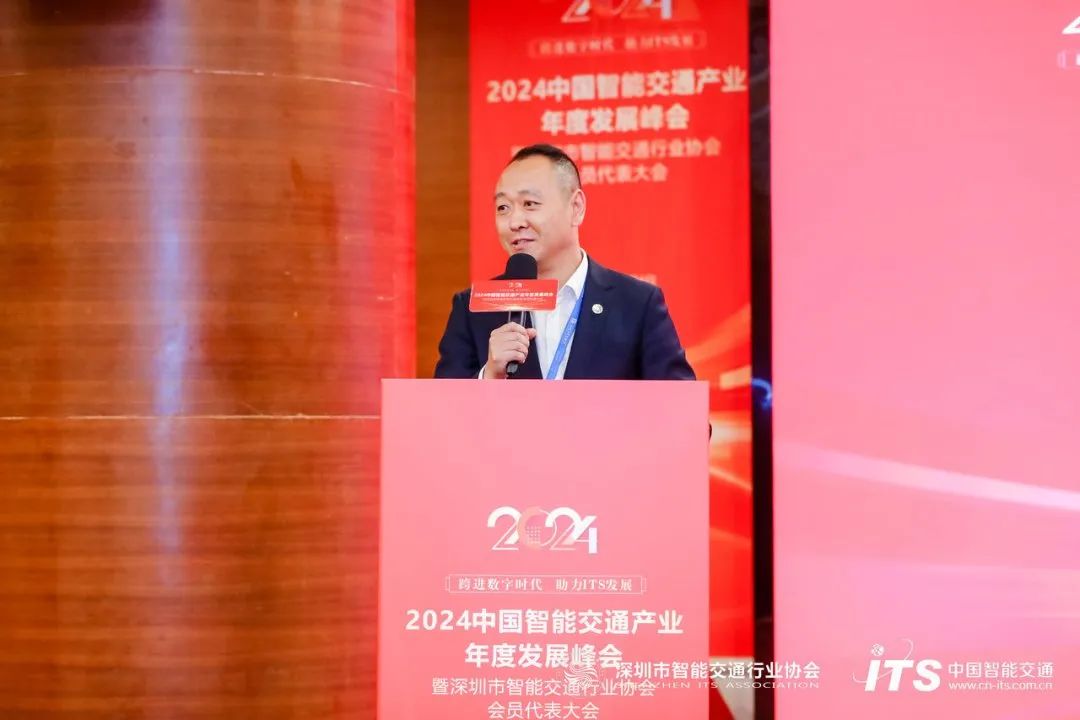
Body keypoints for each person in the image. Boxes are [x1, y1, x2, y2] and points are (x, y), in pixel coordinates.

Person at [434, 143, 695, 381]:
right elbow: (441, 411)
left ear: (576, 207)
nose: (515, 222)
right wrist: (489, 376)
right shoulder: (473, 309)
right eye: (503, 207)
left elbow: (682, 410)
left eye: (530, 203)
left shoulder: (637, 304)